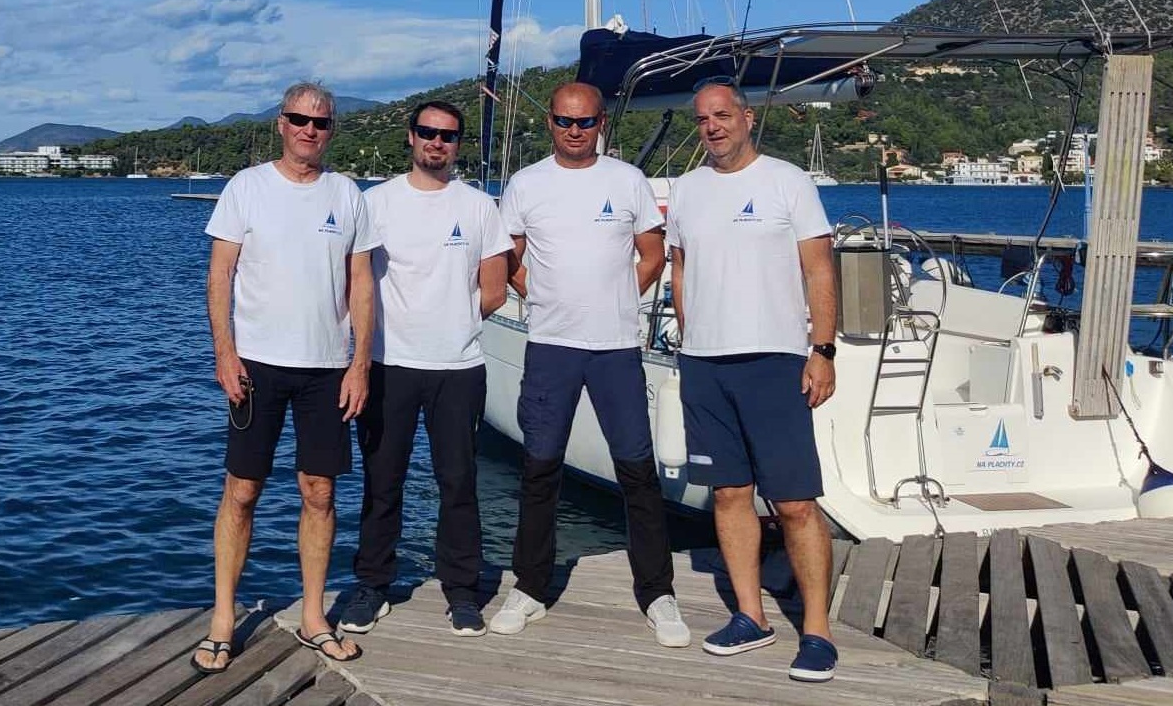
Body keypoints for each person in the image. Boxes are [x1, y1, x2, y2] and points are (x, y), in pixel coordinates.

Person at [490, 81, 690, 648]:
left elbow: (653, 254)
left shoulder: (627, 181)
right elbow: (509, 260)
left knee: (637, 471)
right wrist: (540, 297)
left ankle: (658, 593)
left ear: (601, 123)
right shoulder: (526, 184)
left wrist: (618, 300)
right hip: (550, 346)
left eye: (584, 122)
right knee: (539, 468)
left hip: (615, 348)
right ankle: (530, 588)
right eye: (563, 121)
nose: (573, 131)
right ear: (549, 123)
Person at [193, 81, 379, 673]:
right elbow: (220, 275)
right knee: (242, 490)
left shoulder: (346, 194)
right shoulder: (247, 187)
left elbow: (362, 284)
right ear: (281, 123)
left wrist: (360, 363)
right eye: (299, 119)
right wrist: (225, 353)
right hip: (256, 365)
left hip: (326, 368)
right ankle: (223, 618)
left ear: (331, 130)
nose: (309, 130)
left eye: (320, 122)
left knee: (319, 492)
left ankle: (314, 617)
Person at [666, 80, 839, 682]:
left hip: (774, 360)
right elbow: (679, 267)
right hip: (704, 363)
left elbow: (819, 269)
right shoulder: (686, 190)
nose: (712, 126)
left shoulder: (788, 182)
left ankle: (816, 631)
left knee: (794, 502)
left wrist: (823, 350)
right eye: (702, 119)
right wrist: (688, 334)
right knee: (729, 494)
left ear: (746, 117)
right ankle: (751, 616)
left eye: (722, 115)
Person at [337, 101, 512, 638]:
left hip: (458, 367)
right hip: (387, 364)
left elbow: (494, 290)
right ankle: (373, 586)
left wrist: (452, 321)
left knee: (458, 482)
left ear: (459, 144)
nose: (438, 142)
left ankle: (462, 592)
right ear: (411, 136)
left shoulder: (479, 207)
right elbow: (353, 282)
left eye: (448, 135)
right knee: (382, 481)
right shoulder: (375, 203)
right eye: (428, 132)